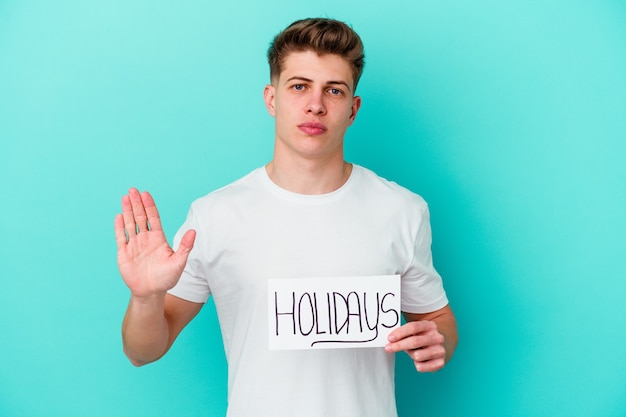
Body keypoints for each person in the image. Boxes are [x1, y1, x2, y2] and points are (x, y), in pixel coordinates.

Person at [115, 17, 458, 417]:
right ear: (271, 98)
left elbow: (438, 320)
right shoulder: (215, 215)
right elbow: (142, 352)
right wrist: (146, 297)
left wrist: (438, 341)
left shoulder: (402, 210)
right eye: (299, 86)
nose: (316, 104)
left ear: (352, 109)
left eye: (334, 90)